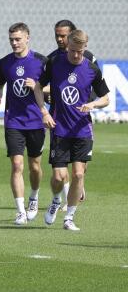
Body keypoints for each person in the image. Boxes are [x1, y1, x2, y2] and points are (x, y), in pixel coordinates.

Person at [36, 29, 109, 231]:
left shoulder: (92, 69)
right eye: (73, 50)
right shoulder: (55, 64)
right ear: (67, 45)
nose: (76, 55)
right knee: (59, 177)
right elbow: (37, 87)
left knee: (78, 175)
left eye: (80, 51)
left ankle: (69, 217)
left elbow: (106, 98)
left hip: (82, 129)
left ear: (85, 48)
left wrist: (93, 105)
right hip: (60, 129)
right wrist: (44, 112)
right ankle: (56, 199)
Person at [0, 23, 48, 225]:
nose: (14, 43)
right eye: (11, 40)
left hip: (35, 121)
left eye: (17, 39)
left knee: (35, 166)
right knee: (17, 165)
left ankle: (34, 196)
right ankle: (20, 210)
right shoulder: (5, 63)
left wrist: (39, 86)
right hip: (13, 121)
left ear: (27, 38)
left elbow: (53, 87)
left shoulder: (41, 61)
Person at [45, 20, 97, 209]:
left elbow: (94, 84)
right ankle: (63, 195)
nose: (60, 39)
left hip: (82, 117)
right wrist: (50, 94)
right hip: (58, 118)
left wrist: (88, 103)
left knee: (79, 170)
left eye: (64, 35)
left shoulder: (89, 59)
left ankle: (76, 187)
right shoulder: (52, 60)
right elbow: (41, 86)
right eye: (57, 35)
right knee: (60, 171)